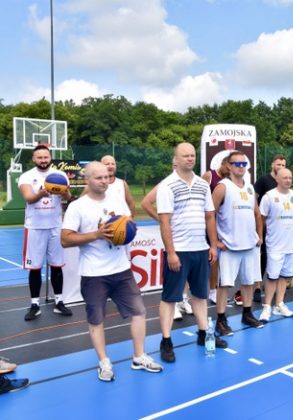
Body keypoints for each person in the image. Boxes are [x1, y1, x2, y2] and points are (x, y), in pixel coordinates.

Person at [61, 161, 163, 381]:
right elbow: (65, 239)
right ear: (87, 179)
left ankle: (139, 356)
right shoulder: (77, 207)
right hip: (94, 273)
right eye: (99, 178)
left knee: (139, 312)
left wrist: (126, 232)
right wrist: (96, 235)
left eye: (107, 177)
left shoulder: (116, 199)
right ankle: (104, 362)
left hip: (121, 269)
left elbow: (127, 224)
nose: (105, 181)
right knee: (96, 319)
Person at [156, 143, 227, 363]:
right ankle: (166, 341)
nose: (189, 158)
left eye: (192, 155)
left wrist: (213, 245)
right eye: (184, 155)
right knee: (170, 298)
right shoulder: (167, 185)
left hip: (200, 250)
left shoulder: (202, 185)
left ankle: (204, 333)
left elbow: (209, 216)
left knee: (200, 295)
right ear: (175, 159)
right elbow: (165, 221)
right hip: (179, 252)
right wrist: (171, 252)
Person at [18, 144, 73, 321]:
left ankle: (59, 302)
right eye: (39, 157)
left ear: (50, 158)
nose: (43, 160)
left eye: (46, 157)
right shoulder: (27, 176)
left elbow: (68, 197)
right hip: (34, 227)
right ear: (34, 159)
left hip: (55, 226)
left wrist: (64, 192)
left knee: (57, 266)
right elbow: (28, 198)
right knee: (35, 268)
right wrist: (42, 193)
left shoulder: (60, 175)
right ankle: (35, 304)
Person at [212, 150, 264, 335]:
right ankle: (220, 319)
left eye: (244, 164)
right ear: (229, 166)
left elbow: (257, 213)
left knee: (249, 282)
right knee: (225, 284)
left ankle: (247, 313)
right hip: (229, 245)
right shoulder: (222, 187)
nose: (241, 167)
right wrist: (216, 241)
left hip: (249, 244)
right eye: (237, 164)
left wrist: (260, 235)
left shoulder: (249, 187)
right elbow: (209, 214)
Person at [141, 180, 193, 322]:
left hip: (189, 234)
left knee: (186, 270)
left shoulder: (192, 183)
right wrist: (161, 219)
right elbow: (145, 203)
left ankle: (183, 299)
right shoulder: (165, 184)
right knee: (174, 270)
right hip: (172, 234)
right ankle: (174, 303)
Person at [258, 168, 293, 321]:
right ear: (277, 179)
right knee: (272, 277)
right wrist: (260, 237)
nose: (288, 180)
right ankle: (267, 306)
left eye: (290, 177)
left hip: (290, 244)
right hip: (274, 244)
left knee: (285, 276)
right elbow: (261, 219)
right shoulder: (269, 197)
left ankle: (279, 304)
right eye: (285, 178)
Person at [252, 154, 287, 303]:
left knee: (274, 257)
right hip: (263, 225)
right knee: (261, 257)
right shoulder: (263, 181)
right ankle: (257, 287)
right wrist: (257, 219)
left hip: (278, 228)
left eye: (283, 165)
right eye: (278, 164)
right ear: (273, 164)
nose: (280, 167)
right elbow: (253, 199)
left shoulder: (283, 182)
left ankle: (271, 286)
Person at [202, 155, 231, 305]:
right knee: (208, 260)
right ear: (223, 163)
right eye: (228, 166)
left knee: (216, 260)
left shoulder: (229, 181)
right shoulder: (209, 175)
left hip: (219, 223)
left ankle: (213, 291)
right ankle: (188, 296)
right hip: (206, 221)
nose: (229, 170)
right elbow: (198, 193)